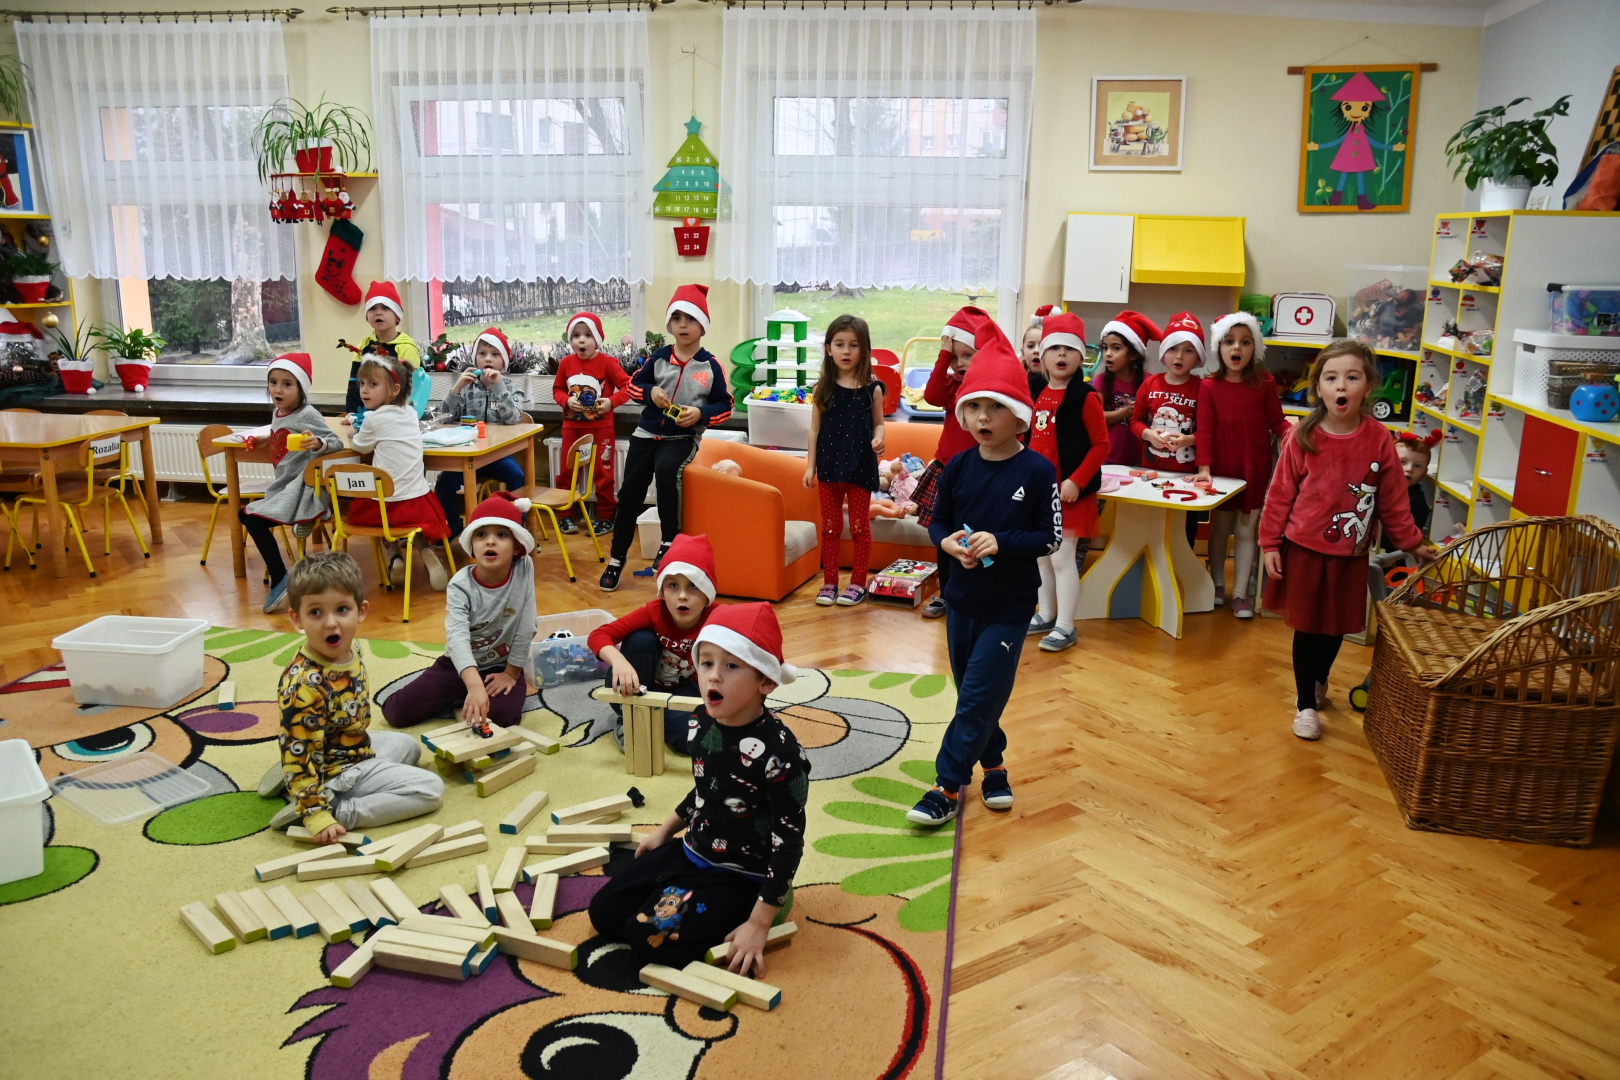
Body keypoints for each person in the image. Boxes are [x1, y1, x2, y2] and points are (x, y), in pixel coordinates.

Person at [588, 602, 809, 978]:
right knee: (604, 912)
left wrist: (759, 922)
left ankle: (769, 905)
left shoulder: (781, 754)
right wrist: (663, 833)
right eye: (706, 663)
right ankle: (680, 893)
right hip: (693, 849)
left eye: (731, 666)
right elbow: (705, 789)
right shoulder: (700, 721)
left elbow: (788, 842)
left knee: (645, 939)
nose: (713, 677)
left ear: (766, 682)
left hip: (743, 876)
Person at [907, 323, 1062, 826]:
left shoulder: (1037, 472)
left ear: (1019, 415)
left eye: (995, 407)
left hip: (1009, 607)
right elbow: (939, 522)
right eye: (973, 406)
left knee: (976, 697)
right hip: (962, 600)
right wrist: (948, 544)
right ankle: (993, 764)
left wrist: (1003, 542)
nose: (982, 417)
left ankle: (946, 786)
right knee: (975, 693)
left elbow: (1050, 538)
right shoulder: (957, 467)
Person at [1260, 340, 1438, 741]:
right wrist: (1270, 542)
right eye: (1331, 378)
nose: (1341, 385)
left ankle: (1320, 679)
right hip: (1303, 549)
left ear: (1367, 386)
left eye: (1351, 377)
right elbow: (1280, 493)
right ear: (1318, 388)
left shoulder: (1379, 438)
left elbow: (1393, 499)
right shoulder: (1302, 436)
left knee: (1335, 627)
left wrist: (1411, 542)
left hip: (1350, 552)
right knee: (1307, 628)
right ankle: (1305, 704)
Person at [258, 552, 445, 836]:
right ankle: (332, 806)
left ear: (361, 611)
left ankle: (299, 774)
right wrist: (316, 815)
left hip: (347, 748)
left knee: (409, 746)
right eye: (316, 612)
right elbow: (301, 740)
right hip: (336, 769)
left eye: (342, 609)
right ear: (297, 619)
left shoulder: (351, 648)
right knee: (430, 789)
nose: (331, 623)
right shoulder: (304, 685)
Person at [599, 285, 734, 591]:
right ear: (670, 324)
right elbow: (633, 387)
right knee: (630, 493)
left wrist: (700, 413)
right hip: (646, 434)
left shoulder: (711, 366)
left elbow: (725, 406)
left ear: (703, 326)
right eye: (677, 318)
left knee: (668, 473)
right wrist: (650, 392)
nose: (683, 324)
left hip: (681, 438)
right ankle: (616, 558)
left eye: (690, 318)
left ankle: (669, 540)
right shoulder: (658, 358)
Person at [382, 492, 537, 731]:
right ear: (471, 544)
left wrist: (511, 673)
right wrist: (473, 685)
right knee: (396, 712)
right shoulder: (460, 584)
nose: (490, 541)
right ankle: (464, 691)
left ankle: (467, 694)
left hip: (502, 665)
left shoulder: (524, 567)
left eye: (502, 534)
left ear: (517, 547)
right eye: (481, 534)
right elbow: (457, 637)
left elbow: (526, 626)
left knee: (502, 718)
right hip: (458, 665)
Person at [1195, 312, 1293, 619]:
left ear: (1255, 347)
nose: (1236, 348)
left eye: (1245, 342)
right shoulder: (1209, 386)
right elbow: (1205, 431)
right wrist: (1204, 468)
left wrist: (1295, 433)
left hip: (1255, 469)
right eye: (1229, 342)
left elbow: (1277, 421)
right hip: (1222, 472)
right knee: (1221, 528)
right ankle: (1216, 584)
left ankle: (1241, 594)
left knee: (1247, 531)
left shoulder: (1264, 382)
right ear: (1219, 347)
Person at [1025, 313, 1108, 653]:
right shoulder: (1037, 391)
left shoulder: (1085, 397)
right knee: (1041, 556)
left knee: (1061, 558)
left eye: (1070, 349)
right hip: (1040, 491)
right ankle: (1046, 613)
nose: (1062, 354)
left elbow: (1101, 445)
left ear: (1081, 356)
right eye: (1054, 348)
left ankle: (1065, 625)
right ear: (1042, 355)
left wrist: (1076, 480)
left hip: (1069, 492)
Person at [589, 533, 718, 749]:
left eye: (693, 586)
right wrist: (619, 661)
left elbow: (752, 637)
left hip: (684, 690)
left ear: (708, 594)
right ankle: (628, 717)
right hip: (638, 686)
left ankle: (652, 717)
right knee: (640, 639)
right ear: (662, 591)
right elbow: (598, 635)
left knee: (690, 740)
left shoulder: (718, 616)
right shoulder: (654, 612)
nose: (682, 596)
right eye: (673, 586)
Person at [241, 353, 345, 614]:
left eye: (287, 384)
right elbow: (283, 434)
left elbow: (336, 443)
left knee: (252, 519)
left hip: (302, 487)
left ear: (301, 389)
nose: (278, 389)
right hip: (284, 485)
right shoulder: (279, 412)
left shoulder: (307, 414)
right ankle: (299, 525)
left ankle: (280, 577)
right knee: (246, 515)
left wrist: (318, 443)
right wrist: (265, 440)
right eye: (273, 382)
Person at [346, 352, 452, 590]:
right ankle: (426, 551)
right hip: (417, 502)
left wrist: (354, 433)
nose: (364, 390)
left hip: (384, 507)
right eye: (362, 383)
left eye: (373, 384)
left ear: (394, 390)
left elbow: (360, 446)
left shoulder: (373, 419)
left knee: (383, 518)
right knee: (414, 524)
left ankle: (394, 555)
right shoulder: (411, 414)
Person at [915, 305, 994, 619]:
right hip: (948, 472)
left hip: (982, 475)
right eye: (955, 357)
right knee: (947, 538)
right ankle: (946, 595)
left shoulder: (991, 391)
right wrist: (943, 356)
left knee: (978, 538)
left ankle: (977, 595)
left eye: (967, 355)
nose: (959, 363)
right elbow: (932, 395)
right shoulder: (951, 388)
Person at [803, 315, 886, 606]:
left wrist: (879, 439)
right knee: (830, 528)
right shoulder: (821, 389)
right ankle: (829, 584)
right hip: (829, 470)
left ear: (864, 349)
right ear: (829, 349)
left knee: (860, 528)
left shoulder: (873, 389)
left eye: (854, 345)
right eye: (839, 344)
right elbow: (814, 430)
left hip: (860, 469)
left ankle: (858, 583)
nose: (846, 351)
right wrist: (810, 466)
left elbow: (879, 423)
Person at [432, 327, 528, 537]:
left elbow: (513, 418)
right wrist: (456, 388)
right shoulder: (467, 387)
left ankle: (517, 529)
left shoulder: (510, 388)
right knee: (443, 483)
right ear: (475, 358)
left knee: (517, 477)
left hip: (498, 455)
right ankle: (454, 527)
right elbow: (443, 418)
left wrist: (498, 386)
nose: (488, 359)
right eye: (482, 354)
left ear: (503, 362)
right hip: (468, 456)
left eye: (495, 354)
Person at [552, 311, 632, 537]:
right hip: (572, 428)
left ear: (597, 339)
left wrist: (611, 402)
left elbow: (628, 386)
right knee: (567, 471)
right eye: (576, 335)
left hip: (602, 429)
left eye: (588, 335)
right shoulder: (565, 363)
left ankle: (606, 516)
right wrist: (566, 400)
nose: (582, 340)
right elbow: (557, 389)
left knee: (603, 473)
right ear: (571, 340)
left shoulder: (608, 363)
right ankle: (564, 515)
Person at [1133, 310, 1207, 545]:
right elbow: (1135, 421)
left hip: (1187, 477)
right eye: (1173, 348)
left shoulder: (1202, 388)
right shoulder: (1150, 384)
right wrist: (1147, 433)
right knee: (1149, 528)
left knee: (1183, 533)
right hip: (1151, 473)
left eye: (1188, 350)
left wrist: (1188, 440)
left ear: (1198, 357)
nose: (1179, 356)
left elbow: (1208, 431)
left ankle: (1183, 567)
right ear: (1164, 352)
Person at [347, 282, 430, 421]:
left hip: (397, 417)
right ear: (367, 317)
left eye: (385, 308)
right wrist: (352, 413)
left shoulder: (406, 347)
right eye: (372, 308)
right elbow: (355, 382)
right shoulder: (363, 346)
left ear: (397, 316)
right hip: (366, 417)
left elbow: (412, 389)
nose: (378, 312)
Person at [1094, 311, 1157, 468]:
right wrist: (1125, 412)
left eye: (1116, 348)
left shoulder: (1148, 381)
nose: (1108, 354)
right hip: (1107, 459)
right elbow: (1096, 417)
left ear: (1133, 354)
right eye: (1105, 348)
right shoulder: (1101, 380)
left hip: (1141, 460)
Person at [1020, 303, 1057, 385]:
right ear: (1023, 352)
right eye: (1030, 346)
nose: (1036, 351)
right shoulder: (1018, 382)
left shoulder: (1058, 384)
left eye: (1042, 346)